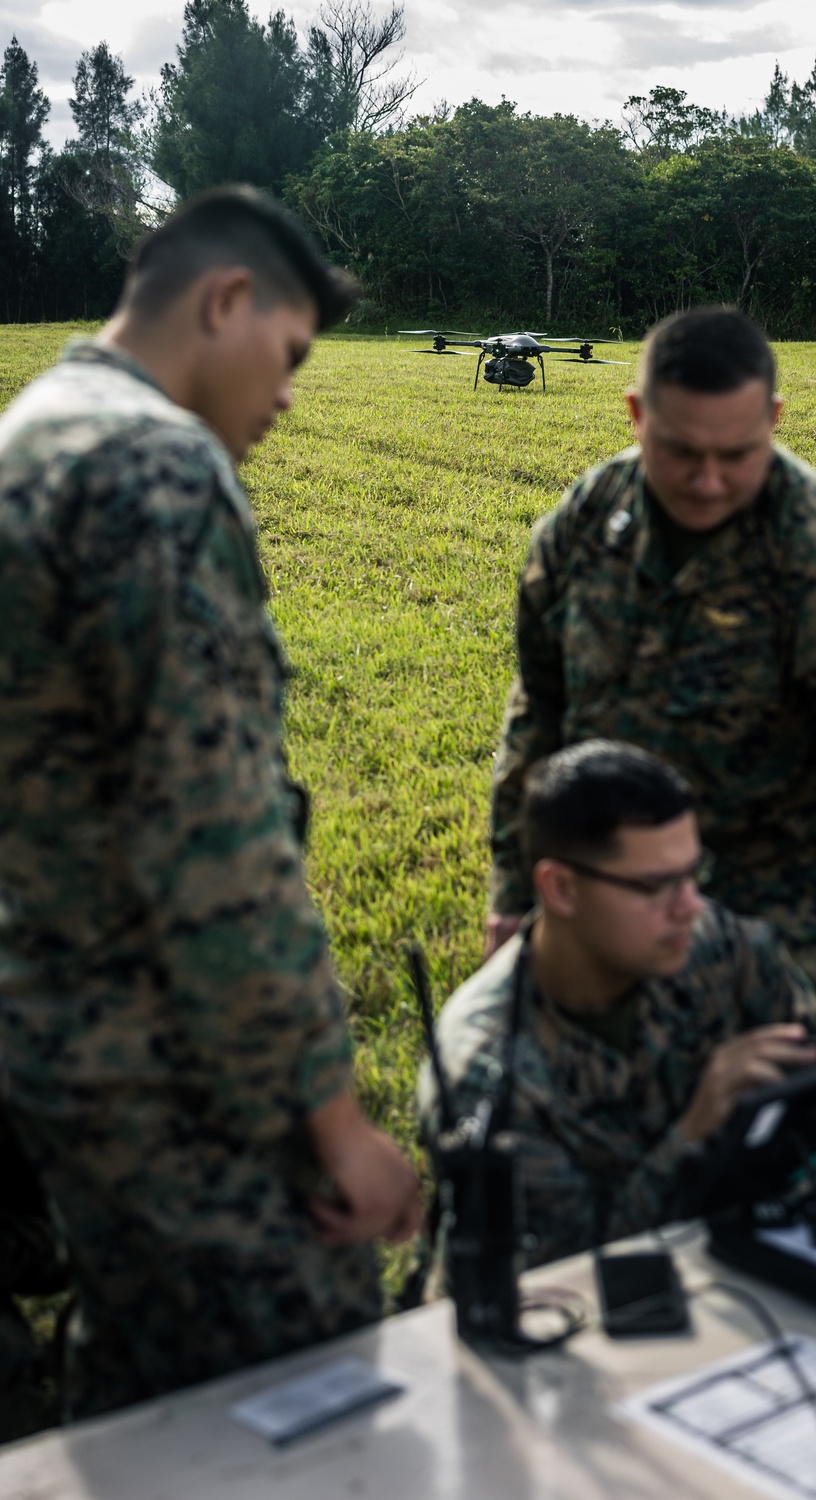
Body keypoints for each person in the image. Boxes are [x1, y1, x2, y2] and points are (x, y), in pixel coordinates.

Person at [0, 186, 421, 1420]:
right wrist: (329, 1119)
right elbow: (216, 846)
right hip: (161, 1056)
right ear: (224, 301)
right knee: (297, 1386)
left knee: (138, 1392)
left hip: (51, 1024)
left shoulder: (35, 432)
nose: (288, 396)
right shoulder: (157, 470)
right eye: (288, 356)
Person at [487, 308, 816, 1035]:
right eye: (680, 451)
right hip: (600, 911)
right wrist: (515, 887)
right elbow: (539, 716)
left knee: (779, 1133)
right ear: (637, 414)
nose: (709, 482)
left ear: (773, 418)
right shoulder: (584, 527)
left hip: (767, 926)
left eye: (737, 454)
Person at [423, 742, 816, 1270]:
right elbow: (566, 1288)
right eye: (657, 885)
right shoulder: (489, 1071)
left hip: (749, 1272)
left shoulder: (722, 950)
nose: (690, 907)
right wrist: (695, 1132)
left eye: (693, 873)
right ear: (561, 888)